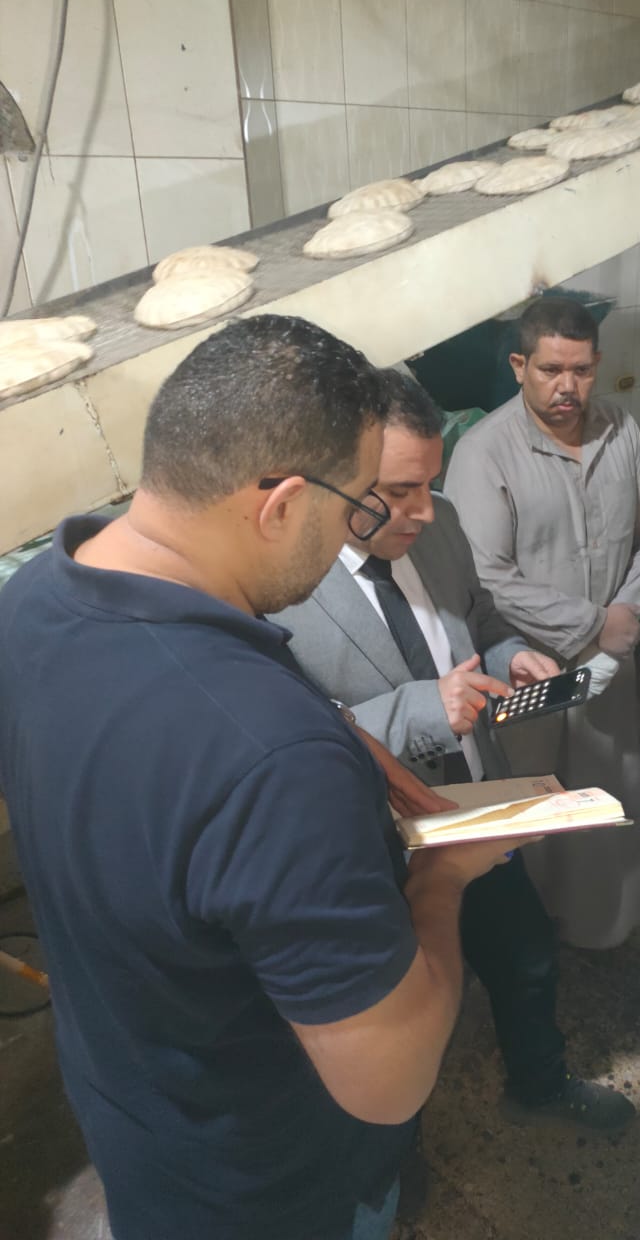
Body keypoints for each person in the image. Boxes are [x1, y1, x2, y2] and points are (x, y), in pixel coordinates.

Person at [0, 315, 527, 1240]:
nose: (361, 530)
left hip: (137, 1119)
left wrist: (327, 731)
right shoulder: (272, 761)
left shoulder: (34, 599)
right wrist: (443, 875)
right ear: (282, 504)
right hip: (273, 1185)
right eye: (359, 504)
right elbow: (390, 1081)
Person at [278, 369, 636, 1134]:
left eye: (428, 483)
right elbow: (292, 740)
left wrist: (511, 656)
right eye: (397, 491)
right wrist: (421, 710)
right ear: (332, 479)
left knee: (527, 956)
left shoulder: (438, 523)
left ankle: (540, 1083)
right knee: (392, 1016)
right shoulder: (283, 585)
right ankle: (394, 1146)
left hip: (474, 807)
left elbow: (478, 618)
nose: (422, 509)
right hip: (374, 844)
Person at [444, 296, 640, 949]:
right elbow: (485, 575)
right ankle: (534, 935)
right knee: (536, 795)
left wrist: (624, 616)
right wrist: (593, 622)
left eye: (581, 370)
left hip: (609, 660)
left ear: (596, 365)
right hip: (527, 665)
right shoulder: (485, 453)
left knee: (606, 782)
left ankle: (602, 925)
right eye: (550, 370)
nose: (566, 386)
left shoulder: (620, 430)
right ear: (520, 366)